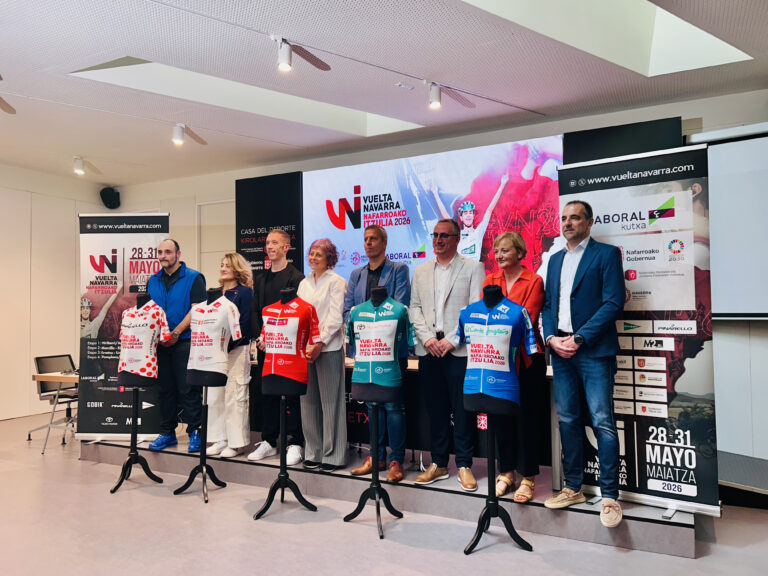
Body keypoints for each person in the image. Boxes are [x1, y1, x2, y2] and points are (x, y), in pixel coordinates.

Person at [541, 200, 625, 528]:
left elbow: (613, 302)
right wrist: (551, 338)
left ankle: (610, 496)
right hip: (560, 351)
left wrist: (579, 338)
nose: (567, 223)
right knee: (567, 420)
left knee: (603, 422)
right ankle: (572, 488)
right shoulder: (555, 259)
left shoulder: (606, 254)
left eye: (575, 217)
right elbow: (548, 304)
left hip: (593, 350)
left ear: (589, 223)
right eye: (564, 218)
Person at [409, 218, 485, 490]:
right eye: (435, 235)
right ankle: (439, 463)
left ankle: (464, 464)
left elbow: (475, 308)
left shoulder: (473, 267)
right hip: (429, 349)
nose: (438, 240)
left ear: (457, 239)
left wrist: (451, 340)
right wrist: (428, 338)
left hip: (458, 350)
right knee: (436, 409)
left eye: (444, 236)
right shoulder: (420, 270)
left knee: (462, 411)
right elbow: (414, 308)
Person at [344, 225, 411, 482]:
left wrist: (377, 328)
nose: (368, 243)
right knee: (372, 405)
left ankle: (396, 460)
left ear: (384, 243)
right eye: (365, 239)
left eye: (373, 239)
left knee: (393, 406)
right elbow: (349, 311)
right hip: (365, 352)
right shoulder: (356, 274)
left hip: (391, 351)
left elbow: (401, 307)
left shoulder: (399, 269)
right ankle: (376, 456)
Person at [482, 232, 545, 503]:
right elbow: (484, 315)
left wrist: (498, 323)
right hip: (497, 358)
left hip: (527, 359)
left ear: (520, 253)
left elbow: (526, 318)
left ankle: (528, 477)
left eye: (505, 250)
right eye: (497, 251)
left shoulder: (534, 280)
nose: (499, 255)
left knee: (527, 419)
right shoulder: (490, 280)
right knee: (500, 417)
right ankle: (506, 473)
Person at [247, 228, 306, 465]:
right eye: (267, 243)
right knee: (268, 395)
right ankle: (269, 441)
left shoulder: (297, 278)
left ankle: (295, 442)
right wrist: (260, 338)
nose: (269, 247)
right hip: (265, 348)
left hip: (288, 349)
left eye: (274, 243)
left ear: (286, 247)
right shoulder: (261, 279)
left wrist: (280, 338)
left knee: (292, 397)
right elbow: (255, 312)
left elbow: (298, 312)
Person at [147, 239, 206, 452]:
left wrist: (176, 333)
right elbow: (149, 312)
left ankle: (195, 432)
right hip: (160, 344)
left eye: (168, 252)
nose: (163, 256)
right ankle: (167, 433)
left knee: (188, 389)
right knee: (165, 390)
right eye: (160, 252)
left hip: (184, 341)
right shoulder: (152, 281)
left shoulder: (194, 278)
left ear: (178, 254)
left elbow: (197, 310)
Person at [297, 239, 348, 471]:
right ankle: (313, 451)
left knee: (331, 403)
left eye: (319, 254)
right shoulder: (304, 283)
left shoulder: (336, 281)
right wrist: (305, 344)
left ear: (330, 258)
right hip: (305, 350)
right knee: (308, 403)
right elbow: (299, 315)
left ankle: (333, 455)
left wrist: (319, 342)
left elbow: (335, 318)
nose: (314, 258)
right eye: (312, 253)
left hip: (328, 348)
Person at [206, 253, 254, 458]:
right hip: (214, 352)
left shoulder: (245, 292)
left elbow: (244, 324)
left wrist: (226, 345)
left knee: (235, 396)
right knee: (215, 396)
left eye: (228, 265)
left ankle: (237, 443)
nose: (223, 268)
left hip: (237, 349)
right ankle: (220, 439)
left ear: (237, 269)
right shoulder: (215, 293)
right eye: (222, 264)